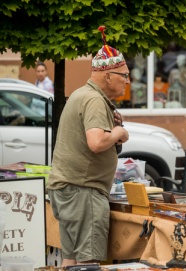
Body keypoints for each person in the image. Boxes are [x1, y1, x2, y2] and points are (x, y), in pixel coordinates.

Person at [46, 26, 130, 266]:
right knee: (88, 262)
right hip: (83, 193)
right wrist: (118, 133)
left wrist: (112, 131)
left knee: (70, 260)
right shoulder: (94, 99)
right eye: (123, 75)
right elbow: (96, 143)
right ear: (108, 76)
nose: (127, 81)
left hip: (69, 189)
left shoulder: (82, 94)